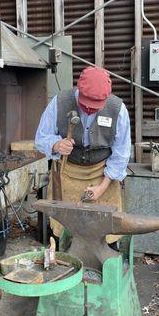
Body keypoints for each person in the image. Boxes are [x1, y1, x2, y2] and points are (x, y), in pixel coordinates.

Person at [35, 66, 131, 246]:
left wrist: (102, 187)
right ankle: (65, 261)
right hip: (67, 172)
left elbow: (121, 153)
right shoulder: (60, 102)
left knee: (105, 229)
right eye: (86, 104)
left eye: (95, 107)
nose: (89, 110)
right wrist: (56, 144)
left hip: (102, 174)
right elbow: (41, 138)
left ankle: (105, 258)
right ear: (78, 88)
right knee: (65, 230)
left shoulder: (118, 109)